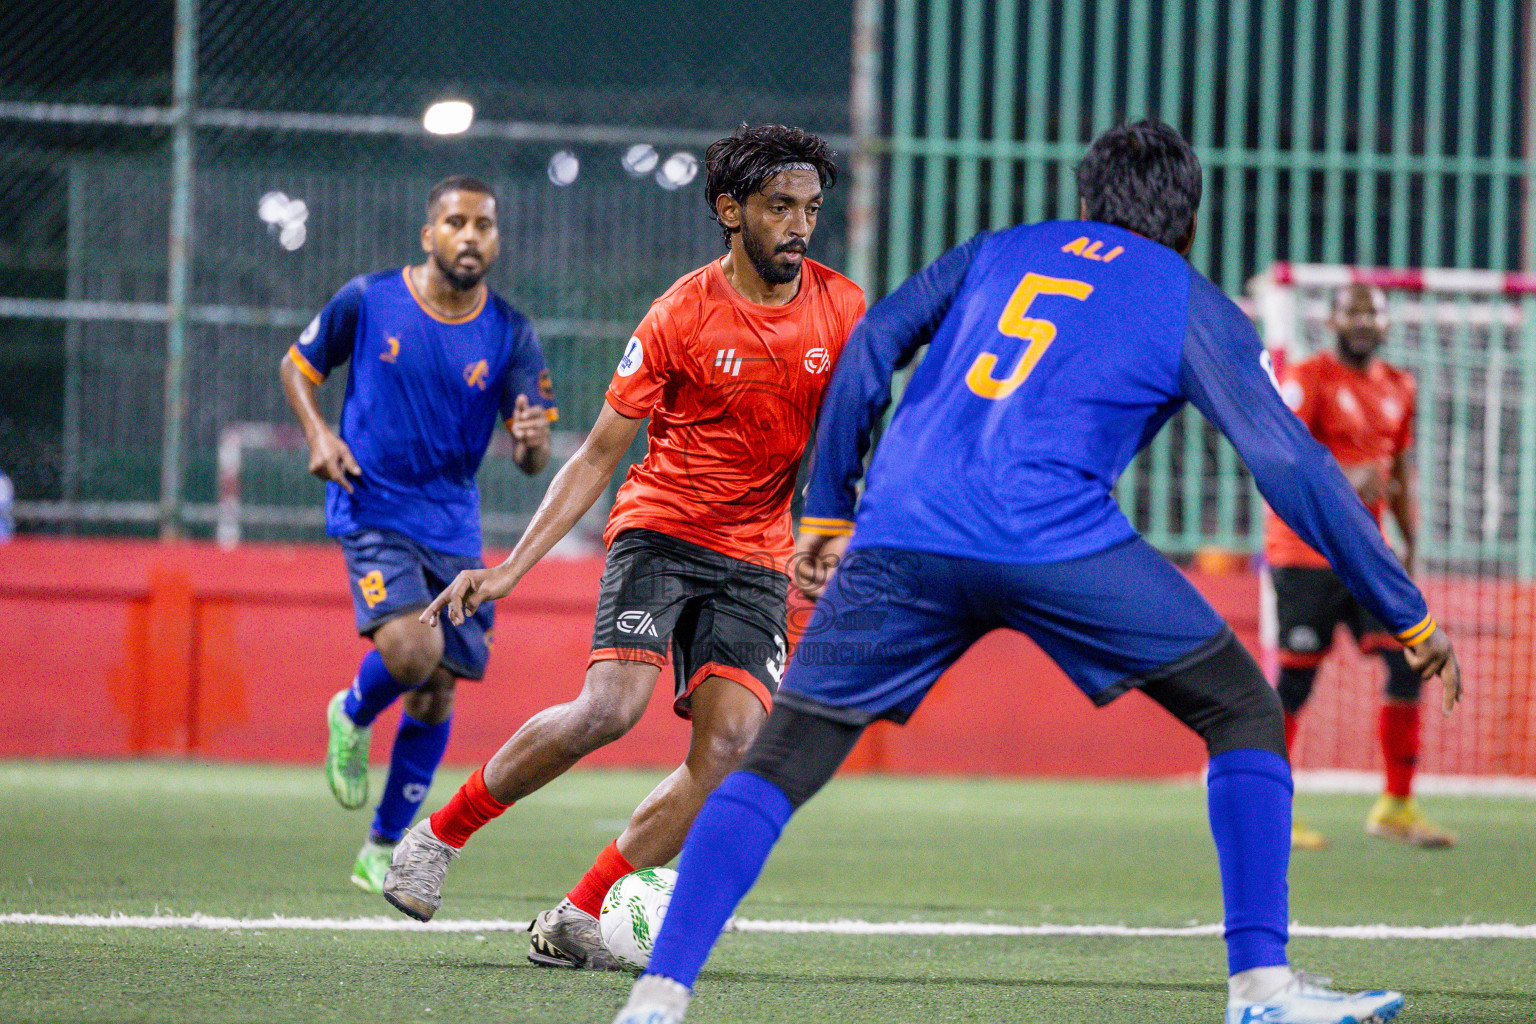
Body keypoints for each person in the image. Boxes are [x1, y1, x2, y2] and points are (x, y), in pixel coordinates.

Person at [610, 121, 1462, 1024]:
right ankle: (1261, 988)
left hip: (902, 538)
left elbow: (872, 344)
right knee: (1243, 709)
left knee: (782, 758)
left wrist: (828, 508)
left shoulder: (999, 250)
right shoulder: (1188, 298)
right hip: (1058, 542)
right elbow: (1289, 464)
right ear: (1189, 223)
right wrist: (1403, 610)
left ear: (1086, 200)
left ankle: (658, 997)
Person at [382, 124, 865, 971]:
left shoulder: (842, 307)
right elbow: (598, 453)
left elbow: (852, 435)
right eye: (780, 207)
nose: (799, 226)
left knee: (730, 752)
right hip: (662, 530)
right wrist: (510, 568)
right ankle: (439, 836)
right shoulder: (681, 313)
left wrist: (835, 533)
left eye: (811, 209)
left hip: (757, 553)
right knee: (609, 709)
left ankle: (578, 914)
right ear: (731, 210)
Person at [280, 175, 556, 893]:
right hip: (371, 504)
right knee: (412, 649)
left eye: (484, 225)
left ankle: (380, 848)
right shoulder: (369, 299)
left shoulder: (511, 332)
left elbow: (532, 460)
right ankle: (352, 711)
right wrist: (318, 435)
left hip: (452, 524)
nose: (471, 236)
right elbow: (297, 367)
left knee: (436, 692)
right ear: (430, 233)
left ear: (496, 239)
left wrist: (531, 443)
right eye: (457, 222)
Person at [1265, 284, 1454, 851]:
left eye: (1373, 312)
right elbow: (1279, 459)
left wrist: (1409, 547)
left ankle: (1396, 805)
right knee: (1296, 680)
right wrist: (1348, 480)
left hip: (1367, 556)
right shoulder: (1308, 378)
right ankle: (1269, 811)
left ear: (1387, 324)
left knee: (1409, 662)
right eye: (1353, 311)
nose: (1364, 321)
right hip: (1305, 553)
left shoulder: (1400, 386)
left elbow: (1398, 472)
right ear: (1332, 320)